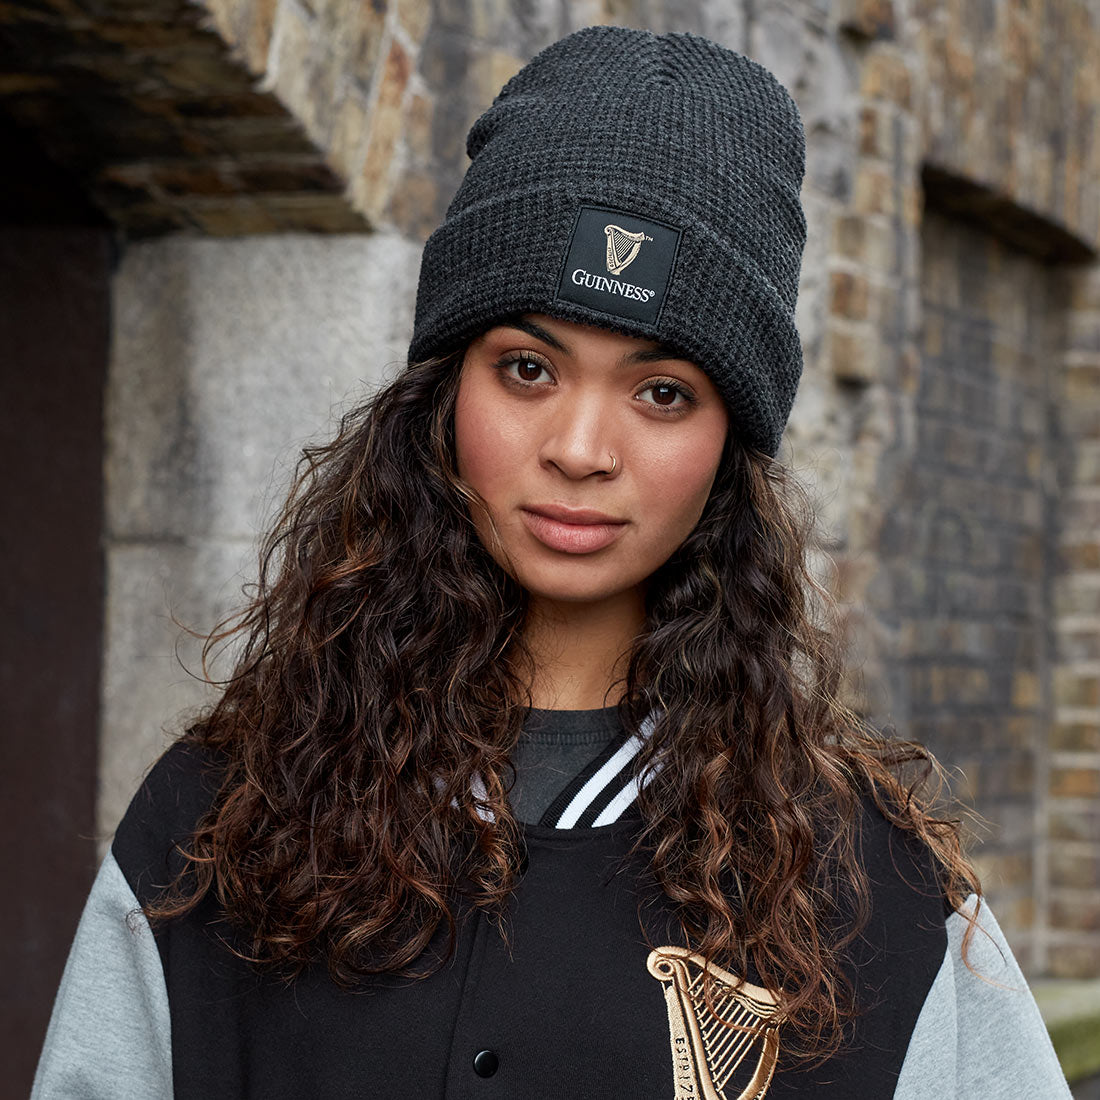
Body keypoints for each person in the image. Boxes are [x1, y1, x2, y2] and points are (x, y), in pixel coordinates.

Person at [33, 25, 1071, 1100]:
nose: (579, 449)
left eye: (661, 390)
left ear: (730, 444)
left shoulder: (880, 898)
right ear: (443, 396)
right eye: (525, 367)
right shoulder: (215, 827)